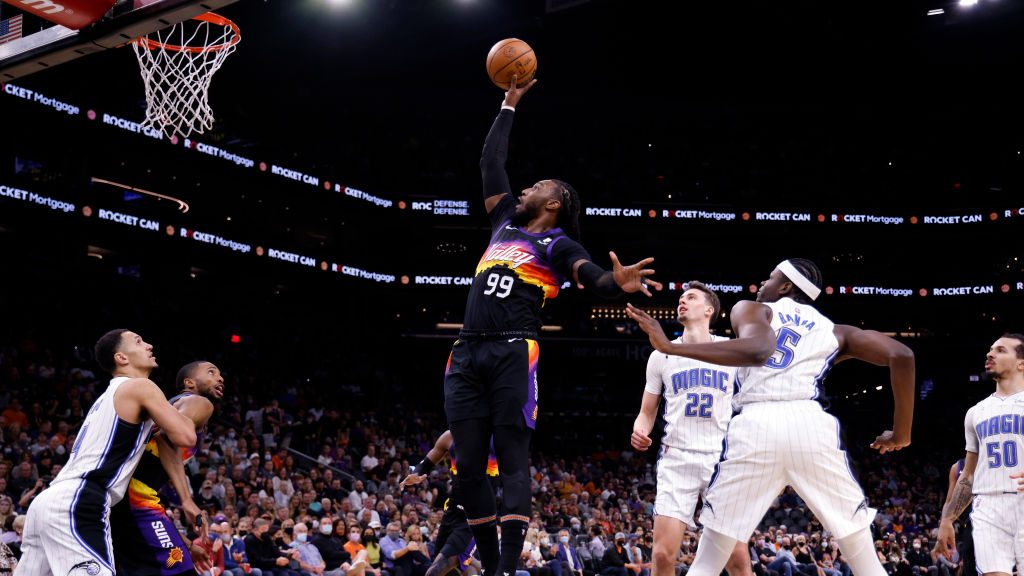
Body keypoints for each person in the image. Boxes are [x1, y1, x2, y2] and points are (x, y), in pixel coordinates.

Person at [445, 74, 662, 576]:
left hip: (513, 351)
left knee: (514, 460)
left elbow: (593, 279)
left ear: (554, 202)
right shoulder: (504, 223)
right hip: (466, 350)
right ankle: (491, 559)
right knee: (469, 467)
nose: (523, 188)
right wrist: (508, 105)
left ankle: (504, 564)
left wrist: (617, 280)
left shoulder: (559, 245)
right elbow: (490, 163)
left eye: (536, 187)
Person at [626, 258, 915, 576]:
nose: (762, 284)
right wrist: (901, 435)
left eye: (770, 278)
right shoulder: (832, 330)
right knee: (862, 555)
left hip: (756, 426)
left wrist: (671, 347)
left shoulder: (750, 309)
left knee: (712, 556)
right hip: (809, 425)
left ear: (786, 286)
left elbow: (760, 350)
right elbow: (901, 355)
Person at [17, 329, 197, 576]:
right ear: (121, 358)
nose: (149, 344)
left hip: (48, 503)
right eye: (139, 341)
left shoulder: (106, 398)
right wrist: (180, 408)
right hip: (80, 499)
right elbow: (186, 436)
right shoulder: (141, 386)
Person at [630, 281, 753, 576]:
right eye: (681, 297)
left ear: (709, 310)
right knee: (661, 555)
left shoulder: (731, 350)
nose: (682, 301)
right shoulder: (661, 355)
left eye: (692, 297)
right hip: (677, 458)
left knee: (736, 556)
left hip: (720, 460)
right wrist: (640, 429)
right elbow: (647, 412)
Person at [109, 360, 225, 575]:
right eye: (211, 372)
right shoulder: (198, 402)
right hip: (134, 498)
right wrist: (187, 500)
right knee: (179, 569)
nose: (220, 378)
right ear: (189, 383)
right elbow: (168, 438)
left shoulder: (169, 407)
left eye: (219, 374)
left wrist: (189, 546)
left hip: (121, 502)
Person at [935, 333, 1024, 576]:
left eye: (1001, 350)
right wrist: (946, 520)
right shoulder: (976, 412)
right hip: (988, 506)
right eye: (990, 349)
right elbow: (967, 475)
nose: (990, 353)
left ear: (1021, 363)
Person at [401, 430, 498, 576]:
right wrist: (416, 474)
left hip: (475, 515)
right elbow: (426, 463)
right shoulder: (450, 435)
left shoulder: (496, 435)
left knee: (434, 572)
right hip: (452, 511)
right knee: (446, 569)